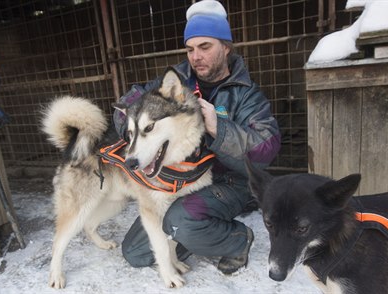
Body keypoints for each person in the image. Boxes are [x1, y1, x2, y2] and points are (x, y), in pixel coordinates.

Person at [112, 0, 281, 275]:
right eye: (190, 48)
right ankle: (196, 232)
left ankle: (238, 240)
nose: (195, 56)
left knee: (181, 221)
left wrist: (218, 126)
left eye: (205, 47)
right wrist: (133, 130)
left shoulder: (246, 93)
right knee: (136, 253)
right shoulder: (176, 81)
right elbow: (130, 101)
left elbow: (266, 150)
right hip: (181, 177)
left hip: (228, 181)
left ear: (226, 47)